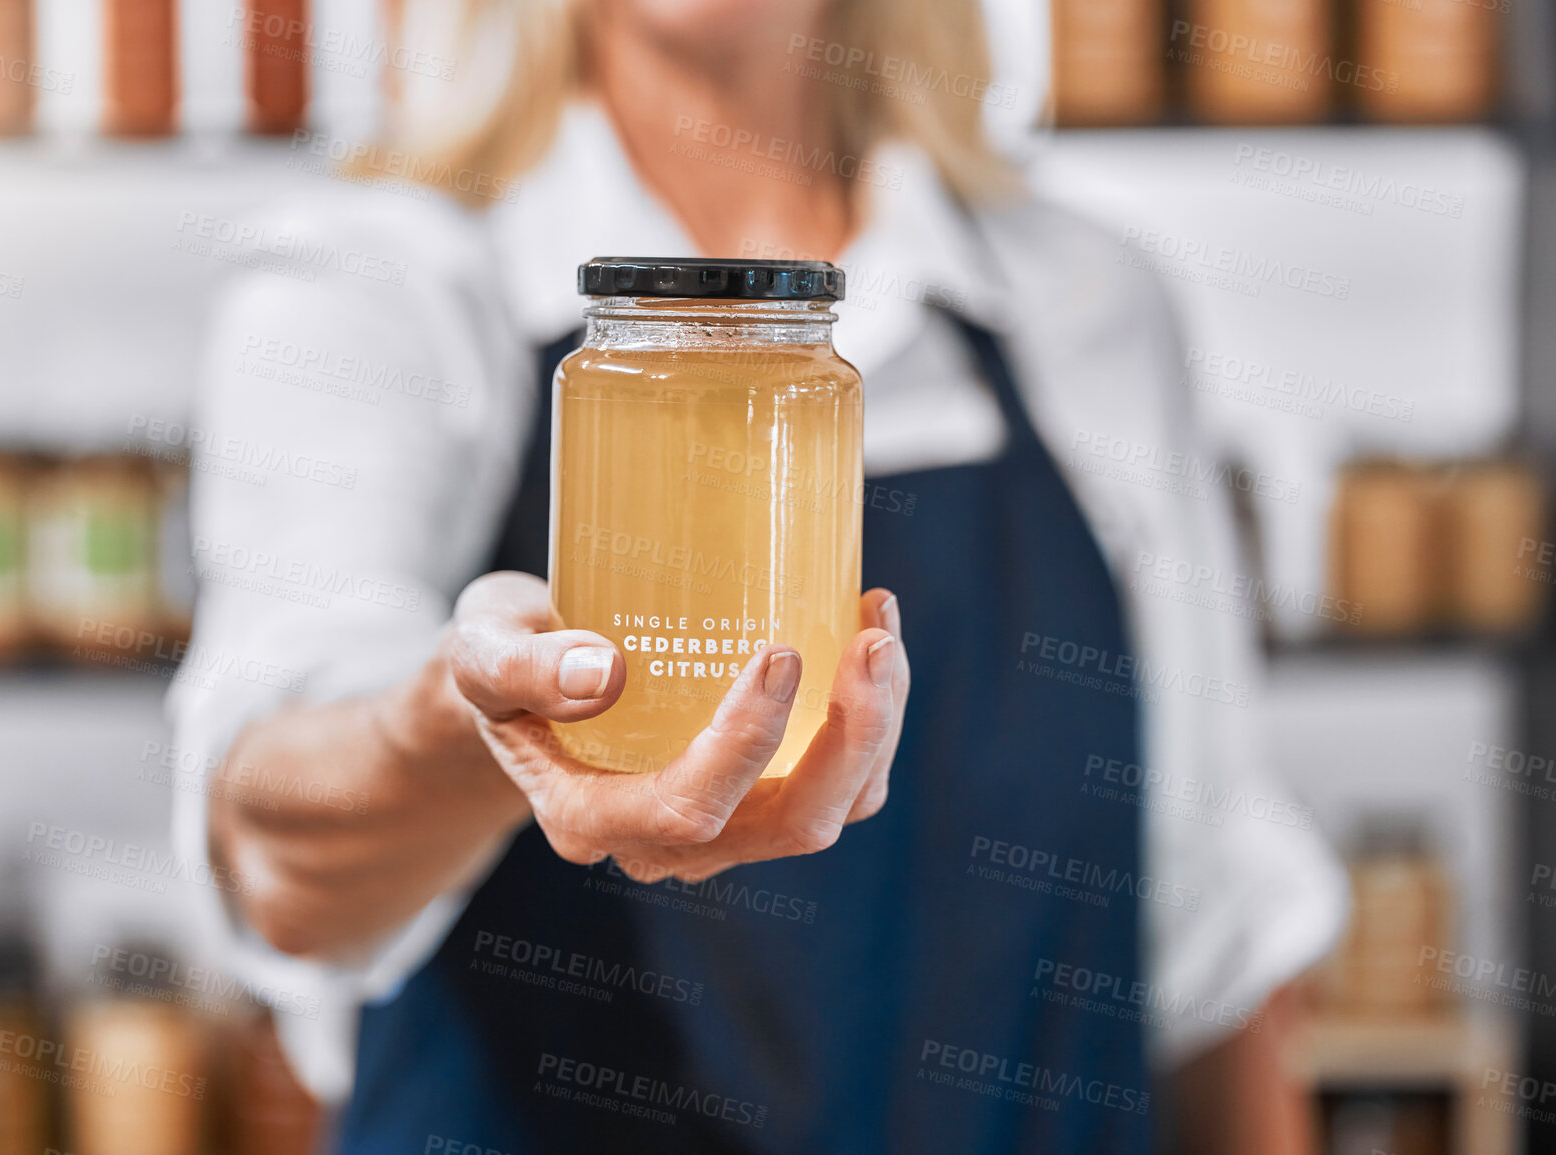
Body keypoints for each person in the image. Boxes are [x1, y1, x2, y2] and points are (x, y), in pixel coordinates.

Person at [168, 0, 1348, 1150]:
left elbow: (1205, 921)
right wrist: (470, 721)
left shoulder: (1087, 307)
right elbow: (280, 856)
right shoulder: (377, 282)